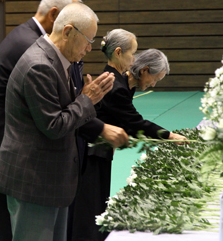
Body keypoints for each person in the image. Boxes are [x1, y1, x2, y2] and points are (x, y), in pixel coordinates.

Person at [0, 3, 129, 241]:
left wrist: (85, 98)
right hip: (34, 183)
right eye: (88, 40)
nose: (90, 48)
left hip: (50, 180)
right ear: (67, 31)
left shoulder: (57, 59)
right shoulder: (40, 66)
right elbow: (54, 125)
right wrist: (87, 99)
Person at [0, 0, 83, 241]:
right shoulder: (32, 47)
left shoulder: (29, 37)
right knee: (8, 231)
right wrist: (99, 123)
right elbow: (56, 111)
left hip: (3, 141)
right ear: (54, 15)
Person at [71, 32, 188, 241]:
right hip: (91, 152)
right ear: (144, 70)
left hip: (100, 150)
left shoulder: (123, 82)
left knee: (95, 202)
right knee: (89, 205)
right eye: (155, 79)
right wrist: (170, 136)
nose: (153, 85)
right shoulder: (115, 85)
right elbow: (134, 123)